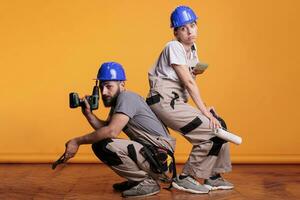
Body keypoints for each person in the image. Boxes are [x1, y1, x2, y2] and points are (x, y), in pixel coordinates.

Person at [146, 5, 234, 194]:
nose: (189, 31)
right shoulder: (174, 47)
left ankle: (212, 176)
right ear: (176, 32)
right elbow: (188, 82)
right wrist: (203, 110)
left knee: (220, 124)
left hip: (176, 101)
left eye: (192, 25)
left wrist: (205, 109)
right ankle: (186, 177)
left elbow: (190, 80)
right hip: (163, 101)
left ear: (197, 26)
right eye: (183, 28)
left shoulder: (193, 49)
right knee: (210, 130)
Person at [62, 62, 176, 198]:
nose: (104, 92)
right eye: (101, 87)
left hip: (160, 156)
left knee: (103, 146)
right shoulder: (119, 101)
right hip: (151, 152)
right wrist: (88, 114)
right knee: (102, 142)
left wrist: (77, 141)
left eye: (109, 86)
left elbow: (111, 132)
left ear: (122, 85)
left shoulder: (126, 97)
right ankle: (137, 180)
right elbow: (105, 129)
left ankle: (146, 182)